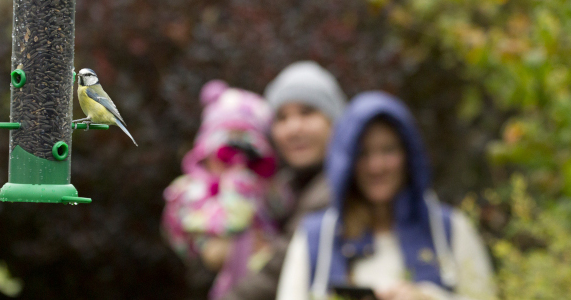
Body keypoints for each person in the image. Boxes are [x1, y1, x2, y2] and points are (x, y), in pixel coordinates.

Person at [277, 91, 497, 300]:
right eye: (363, 153)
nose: (377, 166)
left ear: (408, 155)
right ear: (347, 162)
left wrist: (428, 297)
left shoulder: (448, 230)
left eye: (388, 150)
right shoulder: (317, 238)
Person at [221, 61, 348, 300]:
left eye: (307, 112)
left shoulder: (338, 188)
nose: (293, 128)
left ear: (335, 121)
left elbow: (279, 269)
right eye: (281, 117)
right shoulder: (282, 189)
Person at [162, 80, 280, 300]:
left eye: (247, 148)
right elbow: (226, 225)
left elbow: (281, 210)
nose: (236, 159)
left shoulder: (263, 186)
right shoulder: (189, 190)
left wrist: (263, 175)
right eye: (226, 150)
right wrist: (237, 183)